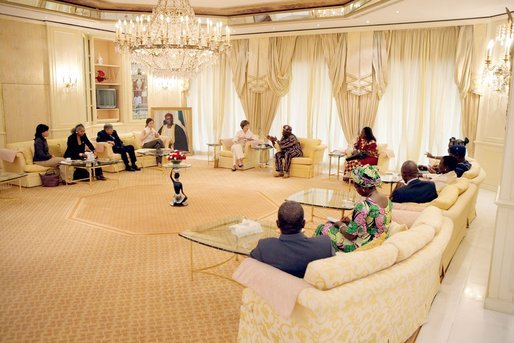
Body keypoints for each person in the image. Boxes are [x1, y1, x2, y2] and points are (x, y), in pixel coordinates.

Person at [314, 165, 392, 252]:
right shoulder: (387, 199)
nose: (357, 191)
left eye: (356, 188)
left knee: (323, 228)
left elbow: (351, 236)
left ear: (363, 188)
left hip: (364, 245)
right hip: (379, 240)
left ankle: (317, 255)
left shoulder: (363, 206)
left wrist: (340, 224)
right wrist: (351, 222)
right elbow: (372, 223)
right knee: (331, 225)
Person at [250, 201, 334, 278]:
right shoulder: (324, 245)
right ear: (303, 224)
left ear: (277, 224)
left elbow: (251, 266)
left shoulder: (265, 247)